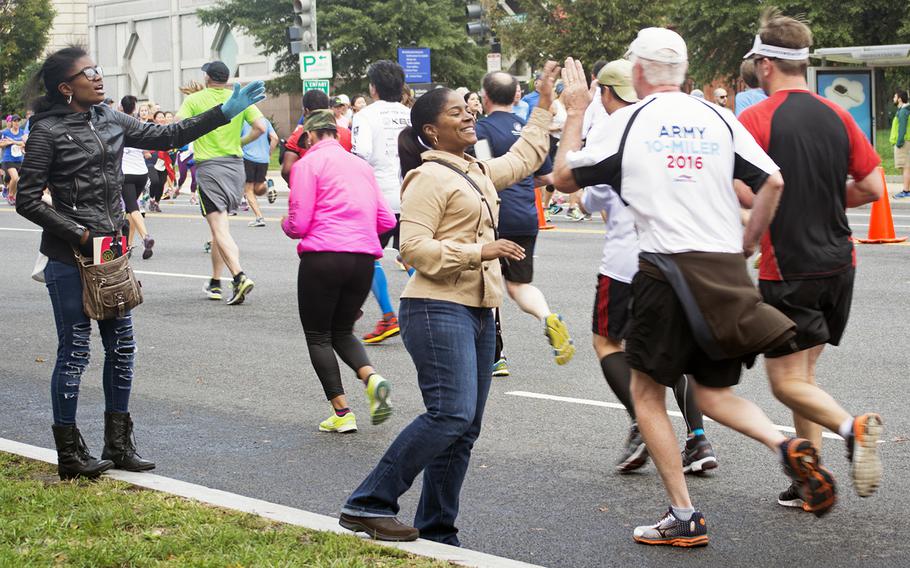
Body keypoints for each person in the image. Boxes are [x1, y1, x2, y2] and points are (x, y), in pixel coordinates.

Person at [553, 28, 834, 546]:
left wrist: (574, 115)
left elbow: (565, 179)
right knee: (711, 389)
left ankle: (683, 514)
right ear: (683, 73)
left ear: (638, 73)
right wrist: (748, 243)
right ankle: (782, 442)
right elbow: (772, 181)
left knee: (646, 391)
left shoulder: (628, 120)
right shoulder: (718, 116)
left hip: (664, 266)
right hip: (725, 268)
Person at [15, 45, 264, 480]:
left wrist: (224, 111)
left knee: (122, 348)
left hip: (111, 253)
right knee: (74, 351)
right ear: (64, 87)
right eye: (86, 72)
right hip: (70, 255)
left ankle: (119, 443)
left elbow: (169, 136)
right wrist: (80, 233)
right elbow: (28, 201)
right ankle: (70, 454)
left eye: (97, 69)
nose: (97, 76)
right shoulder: (47, 131)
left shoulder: (110, 118)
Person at [340, 62, 559, 544]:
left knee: (464, 429)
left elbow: (523, 158)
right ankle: (368, 502)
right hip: (437, 308)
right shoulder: (427, 178)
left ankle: (437, 529)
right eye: (457, 112)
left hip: (479, 309)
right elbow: (411, 249)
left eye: (469, 108)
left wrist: (543, 106)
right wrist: (480, 250)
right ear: (431, 131)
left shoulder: (475, 171)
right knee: (450, 414)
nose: (470, 115)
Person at [738, 10, 884, 509]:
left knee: (784, 383)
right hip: (839, 264)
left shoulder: (755, 119)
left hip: (789, 266)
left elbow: (736, 186)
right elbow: (871, 186)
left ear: (764, 65)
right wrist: (821, 195)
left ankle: (853, 428)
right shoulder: (838, 115)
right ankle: (808, 479)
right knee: (804, 376)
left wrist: (771, 208)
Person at [578, 59, 717, 474]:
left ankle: (641, 422)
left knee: (606, 343)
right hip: (676, 258)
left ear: (606, 93)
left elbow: (587, 200)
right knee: (672, 353)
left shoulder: (609, 132)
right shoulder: (674, 129)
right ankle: (698, 439)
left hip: (624, 263)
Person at [283, 109, 397, 433]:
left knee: (318, 335)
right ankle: (372, 378)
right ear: (336, 133)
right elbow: (387, 221)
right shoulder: (361, 166)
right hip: (362, 259)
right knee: (343, 331)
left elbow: (299, 223)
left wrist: (286, 224)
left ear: (309, 136)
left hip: (323, 258)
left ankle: (343, 412)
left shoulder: (307, 165)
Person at [474, 70, 575, 377]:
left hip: (495, 215)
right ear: (515, 95)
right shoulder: (527, 129)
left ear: (485, 97)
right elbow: (545, 177)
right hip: (526, 216)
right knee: (519, 285)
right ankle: (546, 317)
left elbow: (484, 172)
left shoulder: (481, 129)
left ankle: (496, 356)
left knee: (487, 287)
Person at [177, 60, 267, 305]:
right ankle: (216, 282)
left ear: (207, 77)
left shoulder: (195, 100)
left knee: (219, 227)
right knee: (220, 226)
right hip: (236, 166)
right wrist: (241, 143)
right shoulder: (237, 98)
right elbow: (261, 127)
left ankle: (238, 275)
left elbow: (178, 125)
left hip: (210, 167)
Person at [351, 60, 412, 344]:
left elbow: (360, 154)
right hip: (410, 194)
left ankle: (388, 316)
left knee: (368, 256)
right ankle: (437, 304)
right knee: (411, 254)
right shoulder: (410, 114)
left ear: (373, 88)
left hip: (379, 197)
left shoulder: (366, 115)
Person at [282, 90, 353, 182]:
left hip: (309, 188)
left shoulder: (299, 135)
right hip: (341, 189)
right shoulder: (347, 134)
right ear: (328, 108)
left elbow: (287, 170)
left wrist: (298, 186)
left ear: (306, 111)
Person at [119, 95, 155, 259]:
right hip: (142, 173)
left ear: (121, 108)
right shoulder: (139, 125)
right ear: (134, 108)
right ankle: (128, 245)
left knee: (132, 208)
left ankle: (146, 237)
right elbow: (147, 152)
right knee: (130, 211)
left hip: (126, 174)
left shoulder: (116, 125)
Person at [241, 117, 279, 227]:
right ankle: (268, 186)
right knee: (258, 188)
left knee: (248, 189)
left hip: (248, 158)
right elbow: (275, 138)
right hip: (263, 159)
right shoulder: (265, 121)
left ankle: (259, 217)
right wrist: (269, 153)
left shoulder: (243, 121)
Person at [0, 114, 26, 205]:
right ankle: (10, 195)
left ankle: (11, 194)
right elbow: (1, 144)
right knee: (14, 178)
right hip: (8, 159)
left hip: (19, 160)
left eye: (18, 121)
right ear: (11, 122)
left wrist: (12, 141)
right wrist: (8, 143)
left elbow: (24, 144)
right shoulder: (5, 133)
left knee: (18, 180)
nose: (16, 123)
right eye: (14, 121)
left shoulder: (22, 132)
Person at [891, 89, 910, 198]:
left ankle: (906, 191)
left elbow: (902, 128)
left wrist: (899, 142)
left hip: (903, 143)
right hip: (906, 142)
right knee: (907, 166)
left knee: (906, 167)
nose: (893, 99)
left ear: (899, 99)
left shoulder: (903, 112)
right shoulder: (904, 110)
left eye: (894, 97)